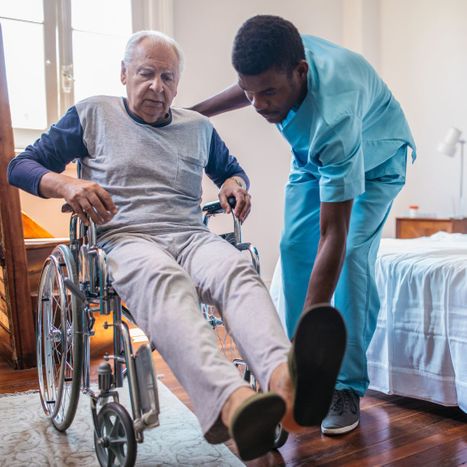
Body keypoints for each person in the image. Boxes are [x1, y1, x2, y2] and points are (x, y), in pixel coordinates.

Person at [7, 30, 346, 460]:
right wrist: (65, 182)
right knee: (166, 280)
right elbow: (20, 166)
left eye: (168, 77)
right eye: (146, 74)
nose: (157, 86)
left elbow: (231, 171)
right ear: (124, 73)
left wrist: (234, 186)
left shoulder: (198, 127)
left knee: (237, 269)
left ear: (178, 84)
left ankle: (285, 383)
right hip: (125, 235)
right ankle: (233, 404)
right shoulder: (92, 113)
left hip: (190, 234)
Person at [190, 15, 416, 436]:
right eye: (250, 92)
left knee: (350, 256)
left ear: (301, 73)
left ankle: (343, 385)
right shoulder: (281, 51)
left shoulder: (335, 113)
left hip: (376, 160)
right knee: (294, 249)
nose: (258, 104)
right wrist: (196, 113)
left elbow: (334, 233)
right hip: (316, 159)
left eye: (268, 93)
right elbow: (252, 86)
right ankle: (293, 376)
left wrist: (313, 335)